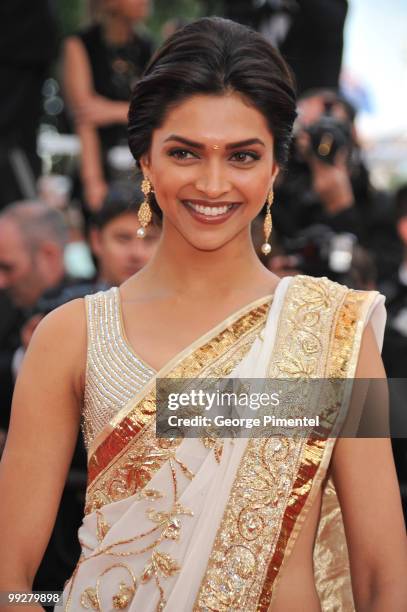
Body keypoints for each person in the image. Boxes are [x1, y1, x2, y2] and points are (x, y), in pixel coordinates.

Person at [0, 17, 406, 612]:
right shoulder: (71, 336)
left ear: (273, 170)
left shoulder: (335, 331)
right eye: (184, 152)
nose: (212, 183)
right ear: (145, 161)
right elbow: (10, 569)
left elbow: (382, 578)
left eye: (242, 155)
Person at [63, 0, 153, 213]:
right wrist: (93, 181)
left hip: (141, 165)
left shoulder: (146, 46)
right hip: (99, 167)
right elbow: (85, 117)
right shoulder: (81, 45)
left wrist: (111, 110)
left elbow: (158, 110)